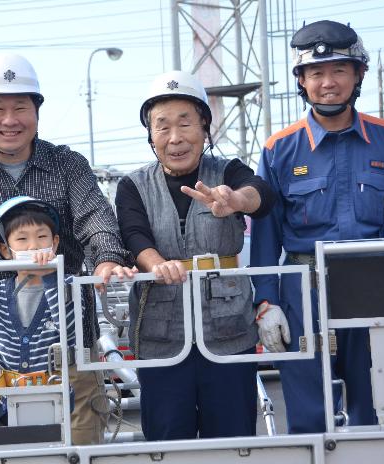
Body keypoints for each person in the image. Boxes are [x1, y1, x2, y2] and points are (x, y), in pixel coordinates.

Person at [0, 52, 134, 444]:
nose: (10, 119)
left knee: (79, 445)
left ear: (37, 110)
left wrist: (105, 260)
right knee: (2, 448)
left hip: (69, 342)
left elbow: (95, 219)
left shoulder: (68, 165)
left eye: (21, 106)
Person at [250, 20, 384, 434]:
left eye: (339, 71)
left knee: (375, 404)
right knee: (309, 411)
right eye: (316, 73)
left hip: (371, 285)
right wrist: (266, 302)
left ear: (358, 75)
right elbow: (265, 234)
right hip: (303, 291)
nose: (327, 83)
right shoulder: (280, 148)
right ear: (302, 81)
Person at [114, 70, 277, 440]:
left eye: (185, 123)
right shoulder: (132, 185)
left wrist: (236, 200)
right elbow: (133, 233)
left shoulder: (229, 171)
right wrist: (157, 264)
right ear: (150, 134)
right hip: (161, 337)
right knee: (169, 439)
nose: (175, 138)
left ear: (205, 125)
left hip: (229, 331)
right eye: (162, 126)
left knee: (234, 439)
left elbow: (261, 193)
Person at [0, 197, 78, 425]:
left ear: (54, 243)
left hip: (51, 396)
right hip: (0, 399)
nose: (33, 246)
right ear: (5, 250)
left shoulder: (66, 286)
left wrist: (50, 274)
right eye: (22, 239)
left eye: (41, 237)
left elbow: (69, 331)